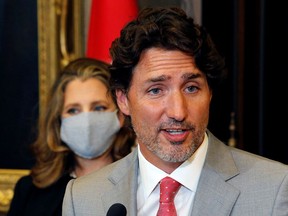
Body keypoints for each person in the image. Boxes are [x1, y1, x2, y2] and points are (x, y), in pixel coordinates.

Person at [62, 7, 288, 216]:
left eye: (191, 88)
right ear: (123, 101)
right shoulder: (83, 198)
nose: (178, 112)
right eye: (156, 90)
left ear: (209, 92)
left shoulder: (274, 188)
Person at [7, 58, 135, 216]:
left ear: (120, 115)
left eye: (99, 107)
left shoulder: (142, 182)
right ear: (59, 120)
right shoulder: (30, 191)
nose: (86, 121)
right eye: (73, 110)